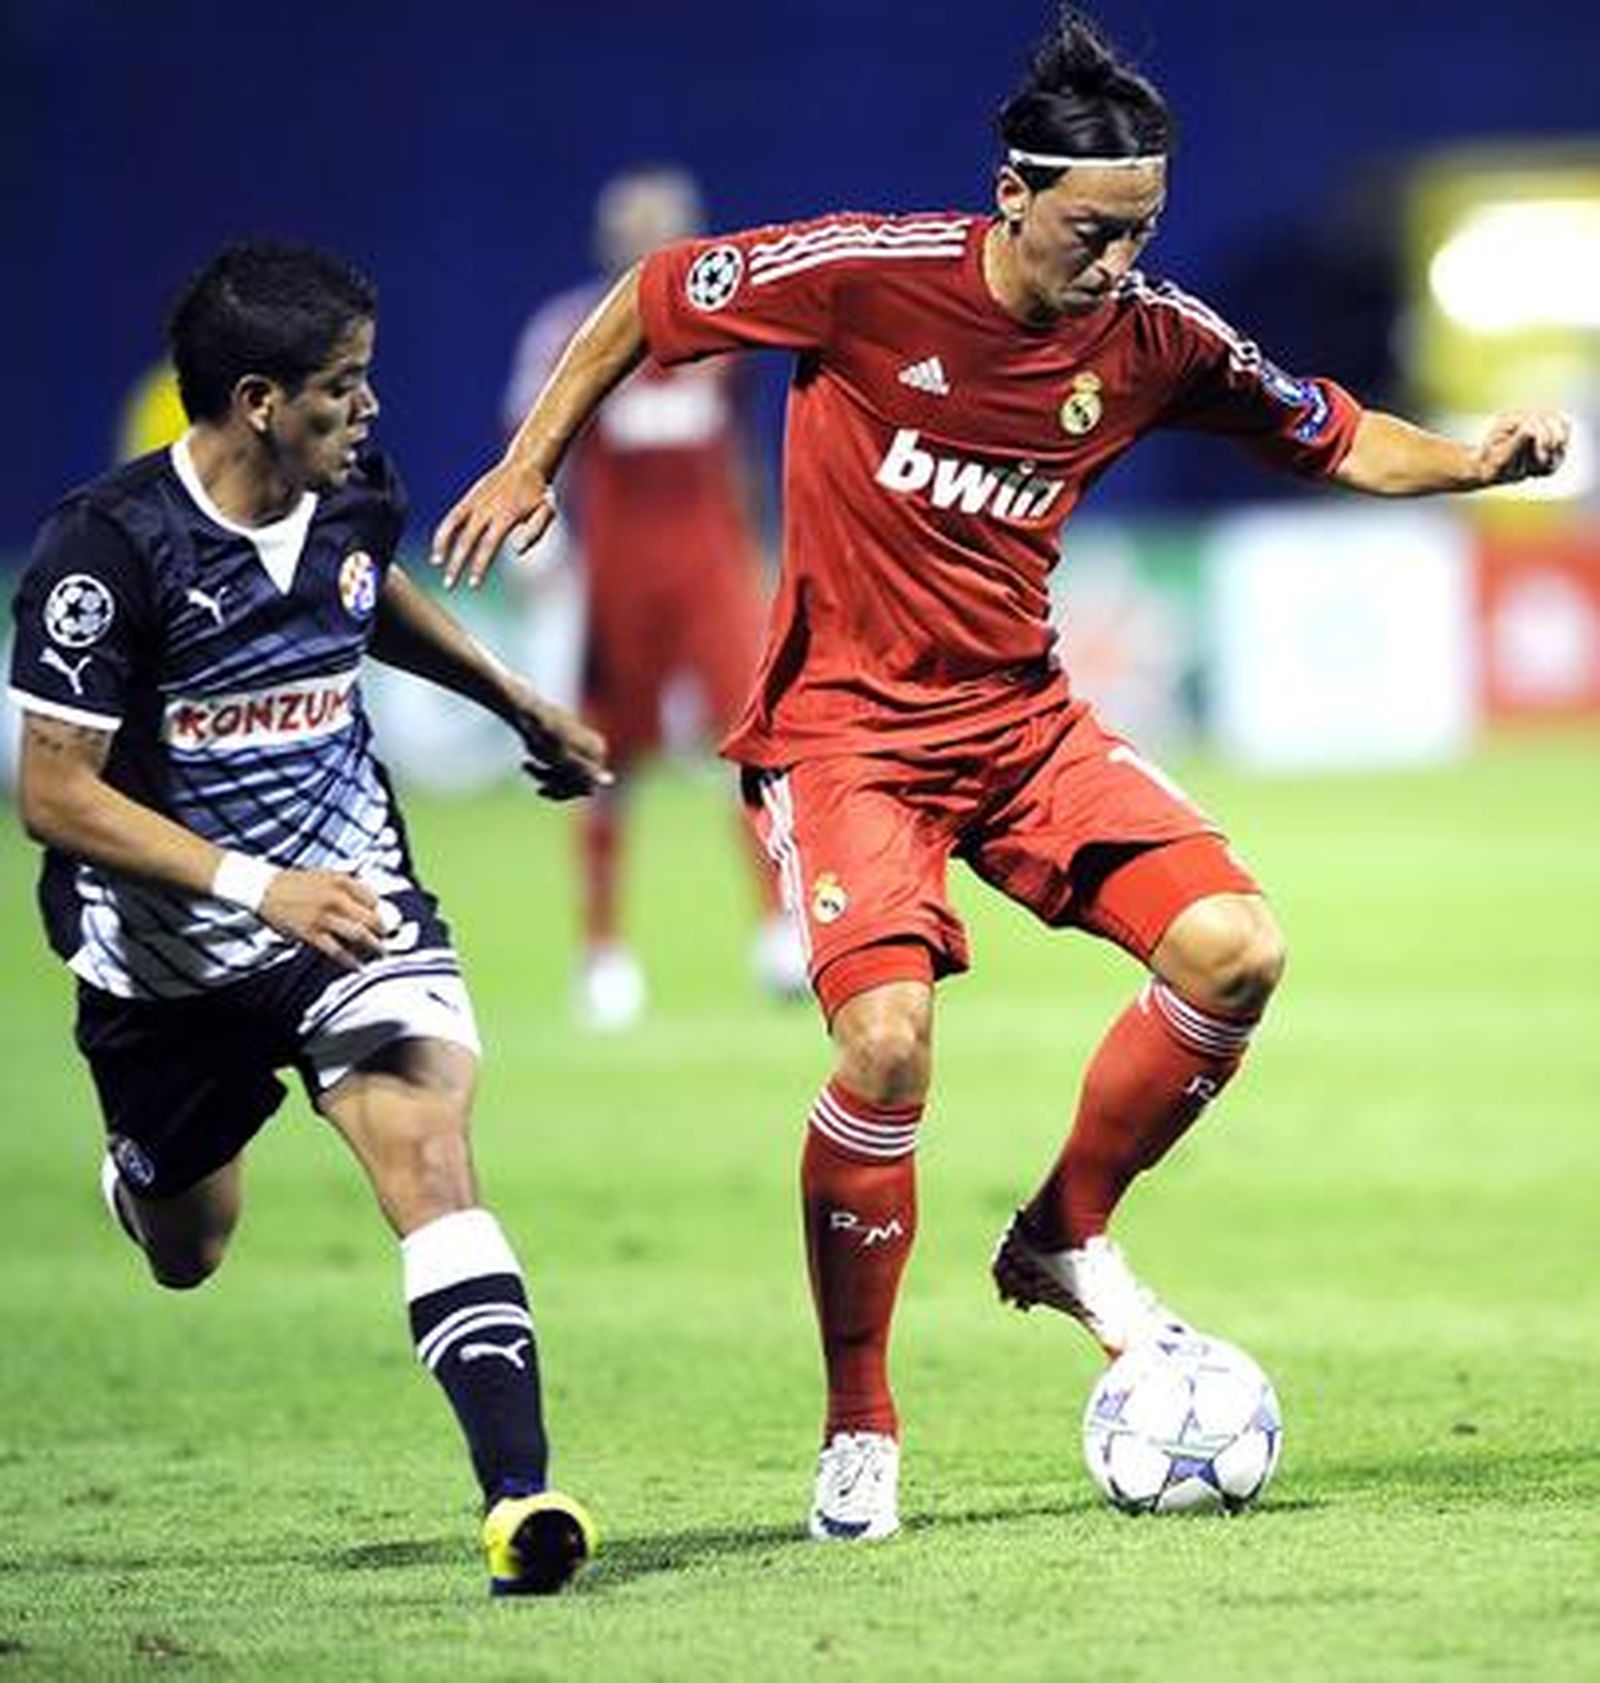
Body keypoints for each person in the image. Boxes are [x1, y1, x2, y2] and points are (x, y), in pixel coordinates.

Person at [432, 9, 1570, 1545]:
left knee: (1237, 947)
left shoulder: (1156, 338)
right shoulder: (866, 275)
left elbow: (1330, 432)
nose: (1121, 260)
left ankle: (1061, 1233)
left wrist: (1478, 461)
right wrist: (533, 460)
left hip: (1021, 722)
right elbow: (651, 295)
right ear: (1014, 191)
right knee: (887, 1045)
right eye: (1097, 230)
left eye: (1144, 229)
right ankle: (860, 1419)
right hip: (845, 732)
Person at [8, 242, 609, 1594]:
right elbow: (53, 793)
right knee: (189, 1246)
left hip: (352, 907)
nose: (369, 405)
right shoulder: (107, 551)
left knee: (428, 1152)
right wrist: (253, 885)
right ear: (259, 401)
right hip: (168, 964)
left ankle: (520, 1497)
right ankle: (144, 1175)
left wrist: (513, 699)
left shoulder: (353, 491)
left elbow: (358, 596)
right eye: (344, 383)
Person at [501, 164, 806, 1028]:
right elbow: (532, 442)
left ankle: (780, 929)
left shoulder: (724, 329)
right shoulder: (567, 332)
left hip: (711, 567)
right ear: (608, 240)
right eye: (637, 228)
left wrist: (762, 552)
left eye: (666, 227)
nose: (651, 242)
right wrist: (540, 548)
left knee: (755, 744)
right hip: (620, 577)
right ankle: (602, 952)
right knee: (605, 760)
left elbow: (739, 448)